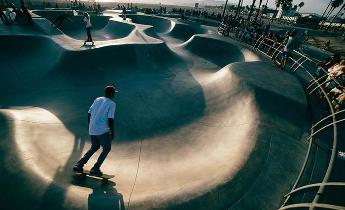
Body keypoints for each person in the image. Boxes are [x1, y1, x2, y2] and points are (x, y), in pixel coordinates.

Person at [73, 85, 118, 176]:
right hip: (102, 130)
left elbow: (89, 112)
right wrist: (112, 132)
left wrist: (91, 125)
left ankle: (79, 164)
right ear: (111, 94)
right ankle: (95, 168)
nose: (114, 95)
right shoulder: (112, 104)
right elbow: (110, 119)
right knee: (106, 148)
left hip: (92, 129)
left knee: (94, 147)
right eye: (114, 93)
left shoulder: (97, 99)